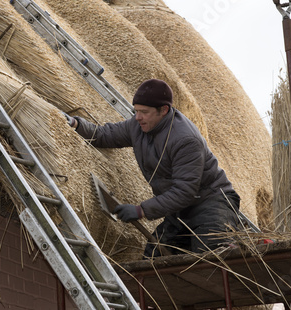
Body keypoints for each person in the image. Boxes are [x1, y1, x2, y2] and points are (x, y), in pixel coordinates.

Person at [65, 79, 240, 257]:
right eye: (136, 111)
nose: (138, 117)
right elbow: (104, 135)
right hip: (179, 210)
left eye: (144, 112)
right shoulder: (137, 125)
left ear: (163, 110)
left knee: (214, 255)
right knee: (154, 258)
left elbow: (185, 191)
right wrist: (75, 123)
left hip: (211, 203)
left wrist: (141, 210)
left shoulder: (185, 139)